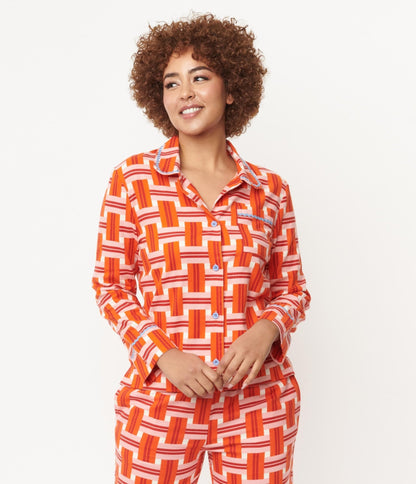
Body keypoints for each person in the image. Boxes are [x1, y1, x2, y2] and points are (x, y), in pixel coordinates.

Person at [92, 13, 311, 484]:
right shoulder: (133, 181)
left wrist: (266, 330)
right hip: (160, 405)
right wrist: (163, 354)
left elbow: (293, 289)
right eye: (171, 83)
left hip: (258, 406)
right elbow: (111, 287)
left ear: (231, 89)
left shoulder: (269, 191)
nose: (185, 93)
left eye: (200, 77)